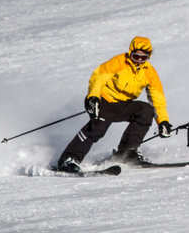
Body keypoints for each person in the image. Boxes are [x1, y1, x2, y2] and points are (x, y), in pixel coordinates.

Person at [56, 36, 172, 171]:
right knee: (97, 129)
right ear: (130, 54)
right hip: (104, 102)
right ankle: (68, 160)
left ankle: (128, 152)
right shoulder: (118, 62)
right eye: (136, 57)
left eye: (144, 57)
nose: (139, 61)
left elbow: (157, 99)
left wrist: (163, 121)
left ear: (148, 57)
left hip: (124, 105)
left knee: (146, 111)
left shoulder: (149, 72)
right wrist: (93, 98)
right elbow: (98, 77)